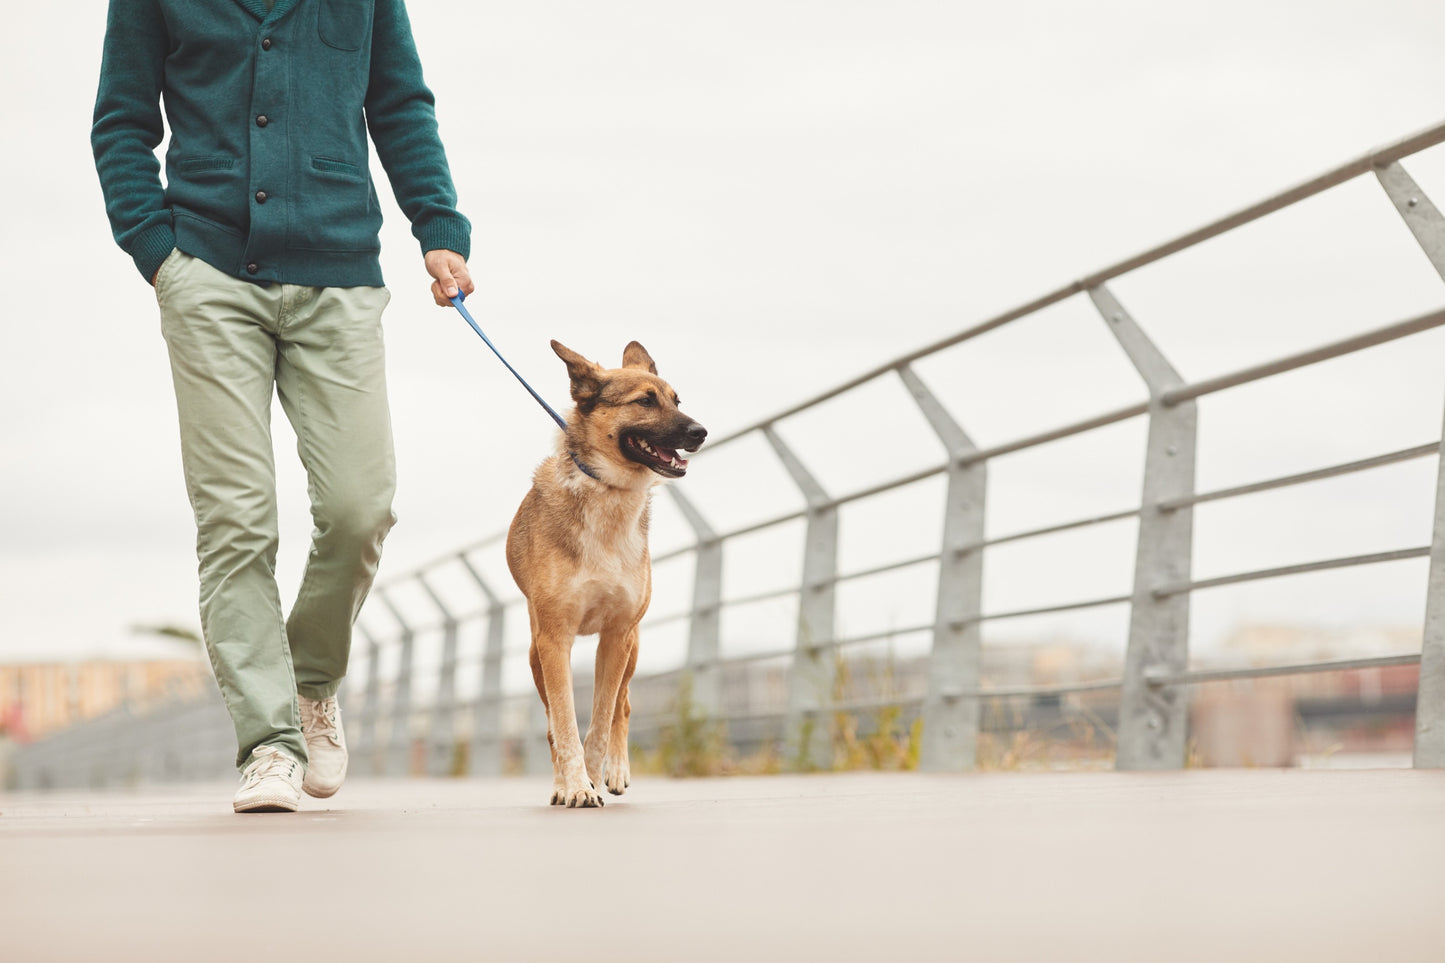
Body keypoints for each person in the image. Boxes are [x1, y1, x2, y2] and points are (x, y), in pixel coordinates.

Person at [91, 0, 474, 812]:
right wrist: (156, 251)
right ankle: (268, 742)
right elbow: (122, 121)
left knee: (359, 506)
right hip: (206, 271)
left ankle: (310, 683)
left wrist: (436, 223)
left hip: (341, 273)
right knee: (237, 517)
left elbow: (399, 101)